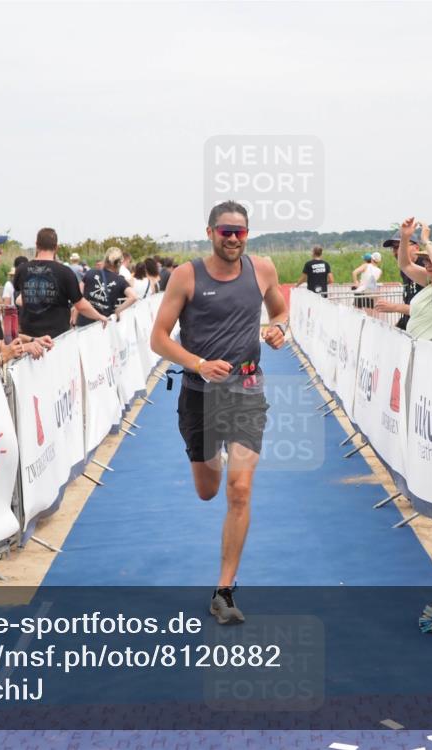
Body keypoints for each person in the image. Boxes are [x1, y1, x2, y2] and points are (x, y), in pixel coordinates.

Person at [149, 200, 288, 625]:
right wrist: (198, 364)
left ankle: (223, 591)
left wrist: (279, 328)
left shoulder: (262, 269)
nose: (232, 239)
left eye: (239, 232)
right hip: (199, 395)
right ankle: (216, 458)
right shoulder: (186, 276)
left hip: (247, 390)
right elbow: (158, 338)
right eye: (225, 231)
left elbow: (280, 311)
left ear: (248, 234)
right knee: (208, 490)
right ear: (209, 232)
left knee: (239, 490)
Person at [15, 227, 108, 338]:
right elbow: (80, 305)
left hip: (29, 339)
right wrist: (99, 316)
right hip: (56, 339)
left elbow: (20, 296)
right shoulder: (65, 272)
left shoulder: (21, 270)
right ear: (56, 247)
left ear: (36, 244)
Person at [77, 247, 138, 326]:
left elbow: (78, 294)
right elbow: (133, 297)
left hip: (84, 322)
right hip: (104, 324)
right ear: (119, 263)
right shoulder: (120, 280)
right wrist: (118, 310)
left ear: (105, 260)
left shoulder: (90, 273)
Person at [378, 230, 424, 328]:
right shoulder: (404, 271)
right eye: (394, 248)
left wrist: (394, 307)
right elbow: (409, 301)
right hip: (411, 327)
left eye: (400, 246)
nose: (396, 251)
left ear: (416, 247)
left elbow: (426, 309)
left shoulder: (426, 267)